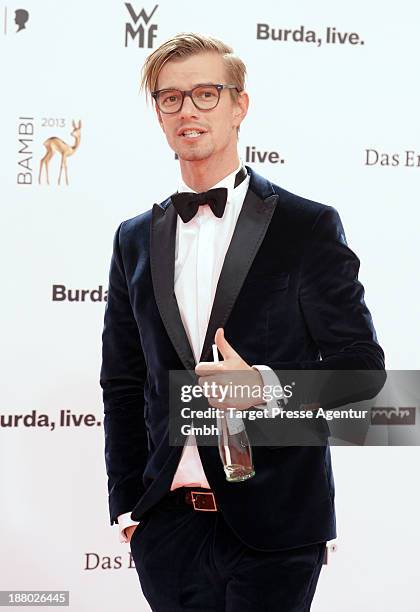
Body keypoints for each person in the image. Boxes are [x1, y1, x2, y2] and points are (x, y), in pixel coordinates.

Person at [100, 32, 385, 611]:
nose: (188, 110)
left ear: (240, 105)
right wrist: (131, 511)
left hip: (275, 529)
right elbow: (124, 385)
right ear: (157, 112)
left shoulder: (307, 227)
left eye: (206, 93)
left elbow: (364, 378)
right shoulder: (134, 239)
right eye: (170, 98)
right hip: (168, 531)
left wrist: (263, 388)